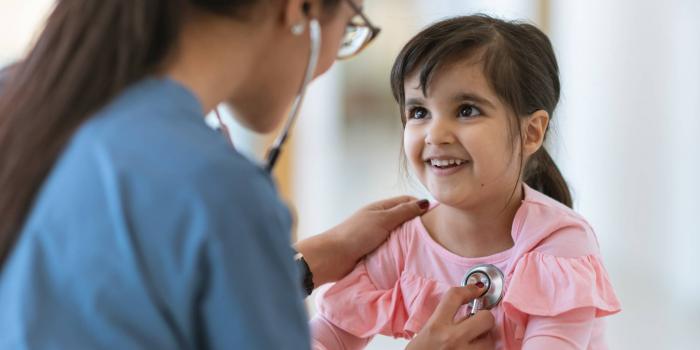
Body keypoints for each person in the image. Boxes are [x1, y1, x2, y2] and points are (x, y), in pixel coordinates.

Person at [0, 1, 494, 349]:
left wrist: (307, 262)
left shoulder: (20, 100)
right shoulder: (216, 188)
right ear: (300, 10)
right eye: (349, 28)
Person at [311, 15, 622, 349]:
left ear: (531, 132)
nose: (435, 134)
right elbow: (324, 336)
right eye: (419, 112)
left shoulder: (559, 245)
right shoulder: (401, 243)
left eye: (467, 110)